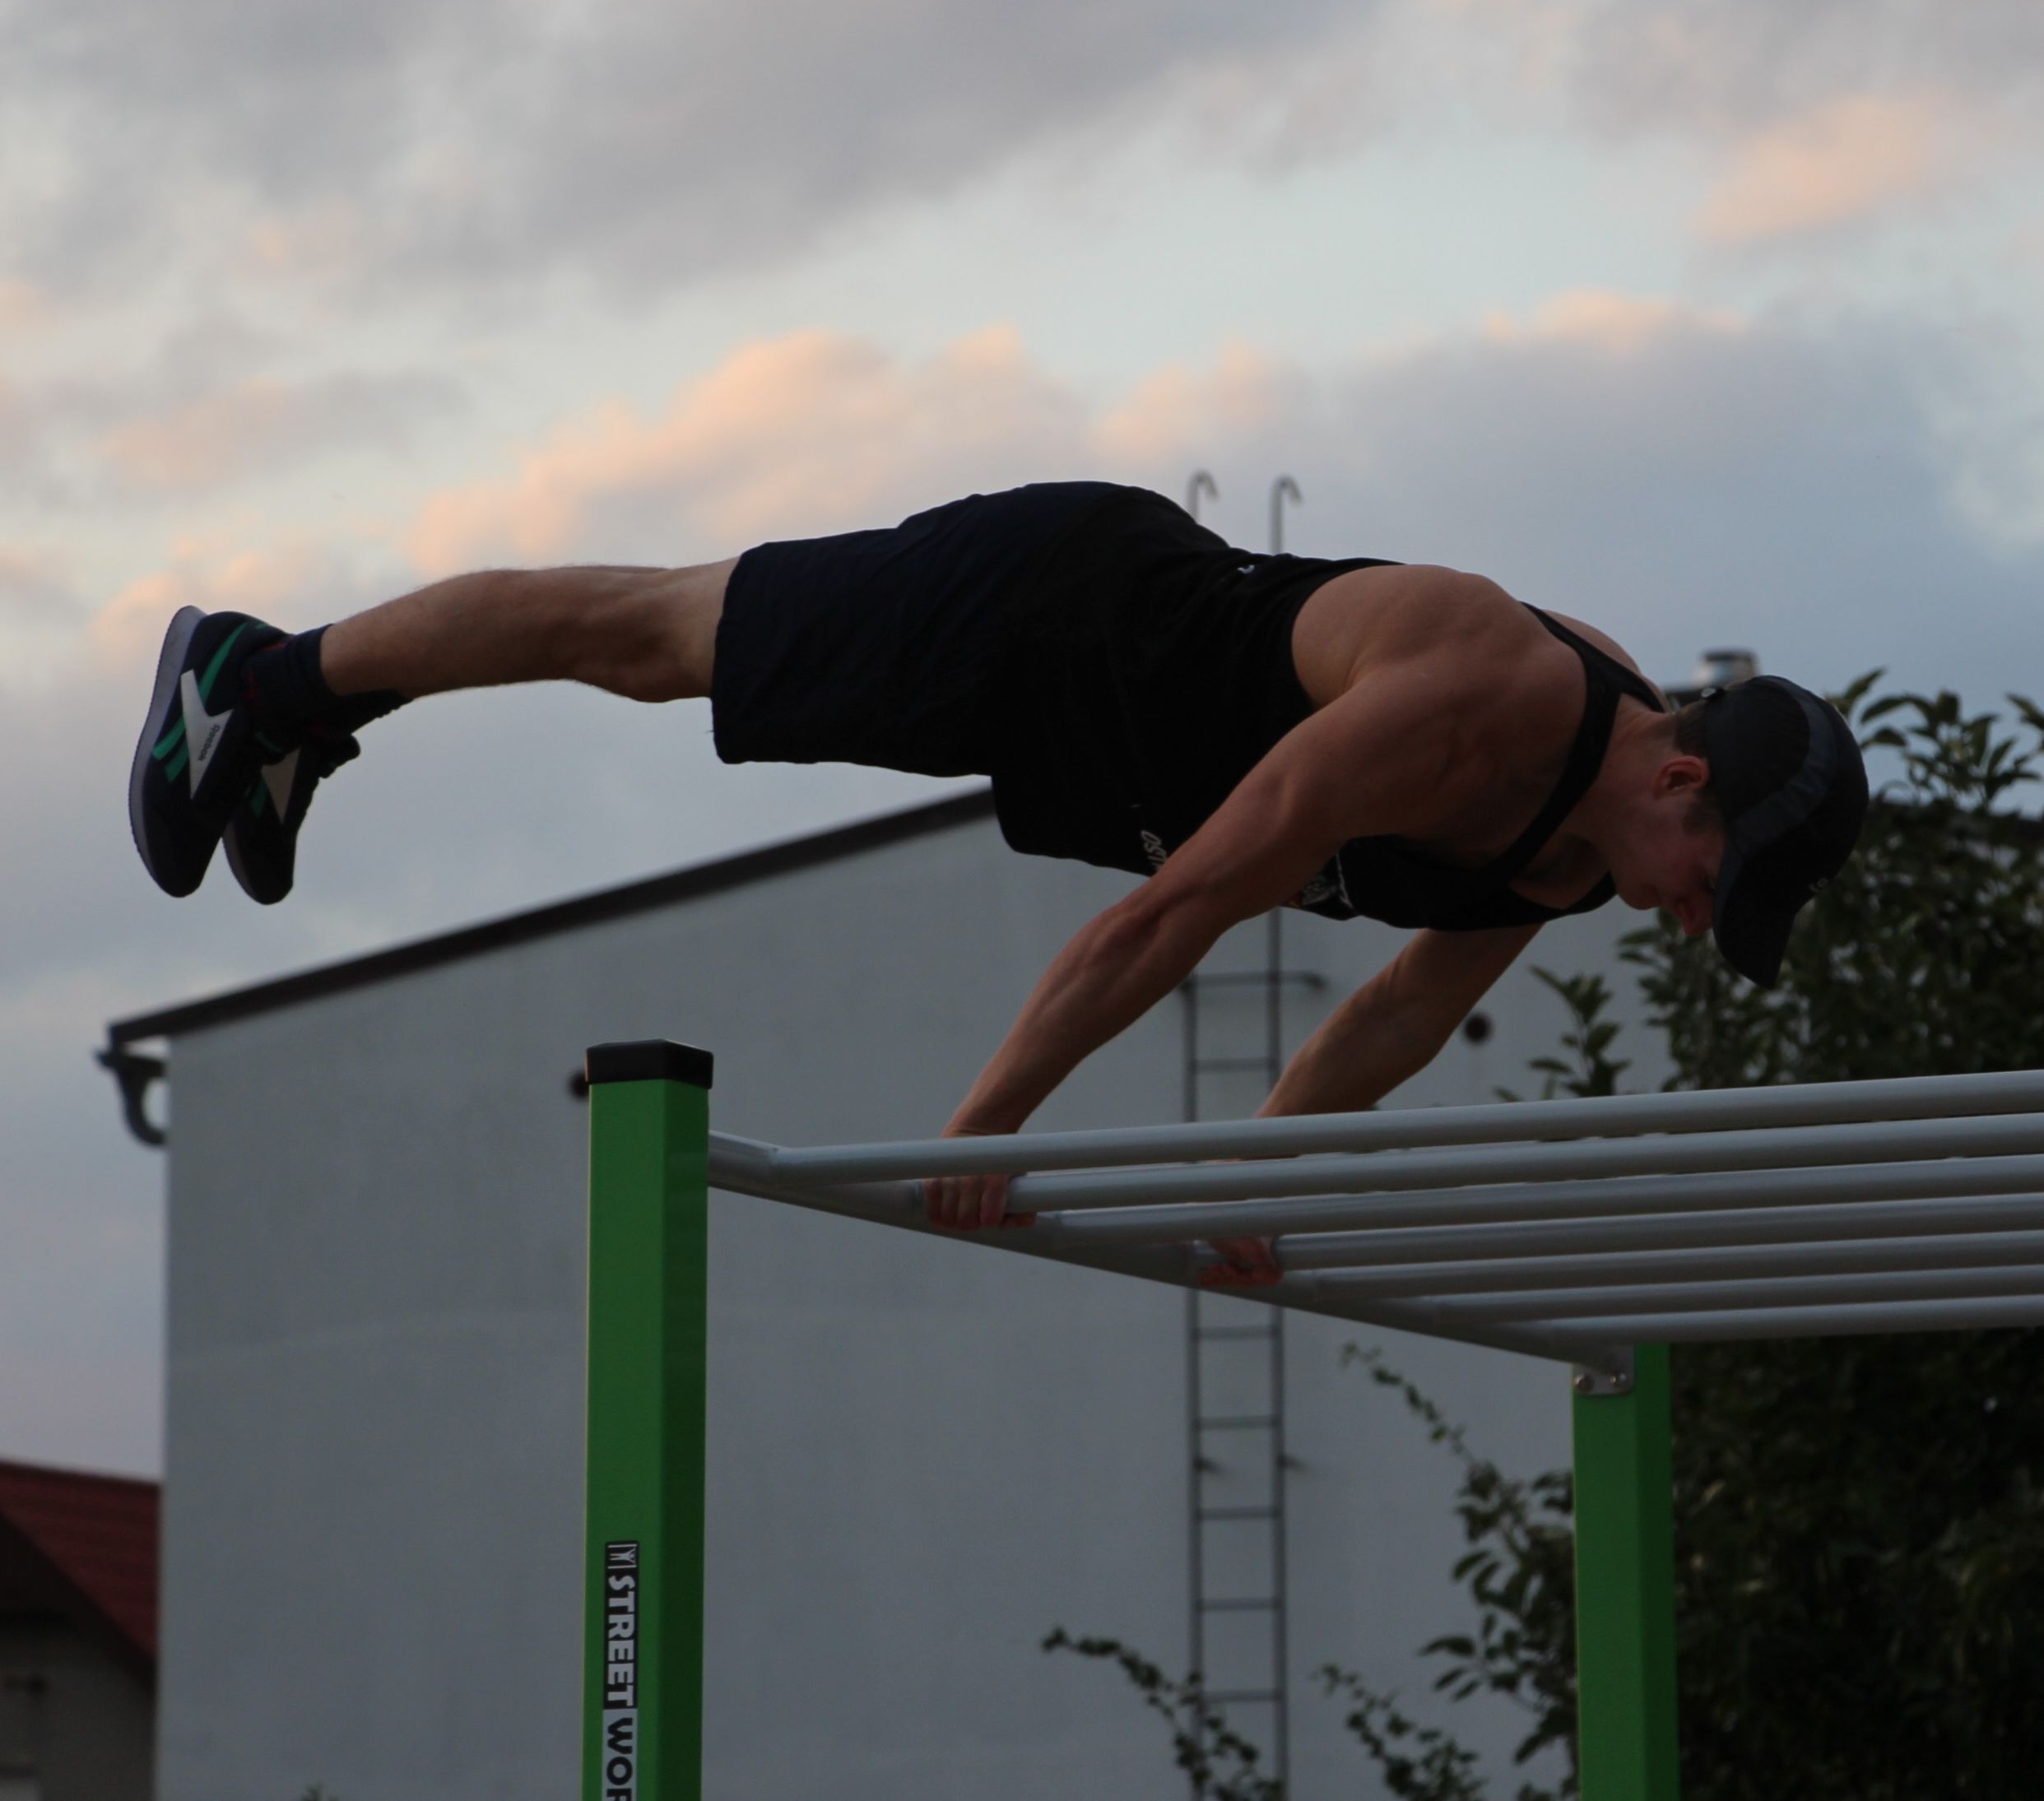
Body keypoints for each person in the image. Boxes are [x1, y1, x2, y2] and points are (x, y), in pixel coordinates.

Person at [128, 481, 1869, 1283]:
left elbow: (1406, 1003)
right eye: (1721, 880)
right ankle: (264, 683)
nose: (1698, 917)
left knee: (655, 648)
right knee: (652, 637)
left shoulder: (1575, 856)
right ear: (1687, 774)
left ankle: (296, 714)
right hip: (1056, 612)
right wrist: (990, 1124)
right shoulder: (1483, 701)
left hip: (1108, 745)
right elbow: (1178, 909)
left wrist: (1259, 1171)